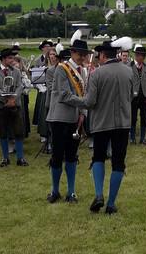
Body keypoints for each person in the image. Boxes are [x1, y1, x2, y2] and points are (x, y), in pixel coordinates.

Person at [62, 37, 134, 214]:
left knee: (99, 158)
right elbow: (130, 97)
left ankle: (99, 194)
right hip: (123, 124)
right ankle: (111, 203)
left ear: (102, 55)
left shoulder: (96, 74)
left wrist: (71, 99)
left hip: (102, 123)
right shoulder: (128, 72)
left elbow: (89, 102)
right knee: (118, 163)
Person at [44, 33, 89, 202]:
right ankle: (55, 191)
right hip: (59, 118)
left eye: (84, 54)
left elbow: (84, 93)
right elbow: (64, 95)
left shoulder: (83, 71)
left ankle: (71, 191)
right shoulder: (62, 69)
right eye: (80, 54)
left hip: (75, 118)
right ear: (72, 53)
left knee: (72, 156)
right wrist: (85, 103)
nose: (82, 57)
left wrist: (83, 113)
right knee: (57, 156)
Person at [0, 48, 28, 168]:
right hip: (1, 106)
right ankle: (5, 158)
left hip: (15, 105)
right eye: (10, 58)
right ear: (4, 59)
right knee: (3, 132)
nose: (12, 60)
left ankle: (20, 158)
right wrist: (6, 100)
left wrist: (13, 99)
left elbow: (20, 86)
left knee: (19, 132)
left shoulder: (16, 71)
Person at [130, 45, 146, 146]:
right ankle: (132, 138)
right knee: (133, 117)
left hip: (145, 95)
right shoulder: (129, 67)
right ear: (136, 55)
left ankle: (143, 137)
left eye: (143, 56)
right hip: (133, 96)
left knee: (144, 117)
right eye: (139, 55)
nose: (141, 58)